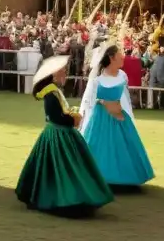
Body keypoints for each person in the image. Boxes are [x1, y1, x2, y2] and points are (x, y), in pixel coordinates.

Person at [16, 55, 114, 216]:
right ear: (54, 73)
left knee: (57, 168)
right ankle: (64, 199)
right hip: (57, 134)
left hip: (60, 133)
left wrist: (71, 115)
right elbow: (55, 116)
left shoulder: (54, 91)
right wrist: (72, 119)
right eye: (62, 71)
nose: (65, 73)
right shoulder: (50, 93)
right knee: (62, 168)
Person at [78, 41, 155, 190]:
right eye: (120, 53)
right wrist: (103, 103)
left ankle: (125, 178)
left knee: (123, 147)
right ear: (112, 57)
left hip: (120, 115)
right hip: (100, 118)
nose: (123, 56)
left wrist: (126, 116)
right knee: (101, 146)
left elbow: (125, 97)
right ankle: (101, 177)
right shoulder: (97, 80)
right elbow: (89, 100)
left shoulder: (122, 76)